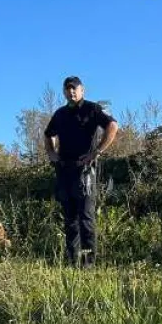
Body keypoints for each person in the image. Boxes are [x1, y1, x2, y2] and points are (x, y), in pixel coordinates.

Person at [43, 76, 119, 267]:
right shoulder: (59, 114)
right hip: (64, 170)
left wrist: (97, 151)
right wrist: (51, 153)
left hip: (85, 170)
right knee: (69, 219)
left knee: (86, 218)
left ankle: (88, 264)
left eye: (74, 88)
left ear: (82, 90)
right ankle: (72, 261)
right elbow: (48, 134)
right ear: (64, 92)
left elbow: (112, 126)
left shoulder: (92, 109)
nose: (71, 92)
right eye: (68, 89)